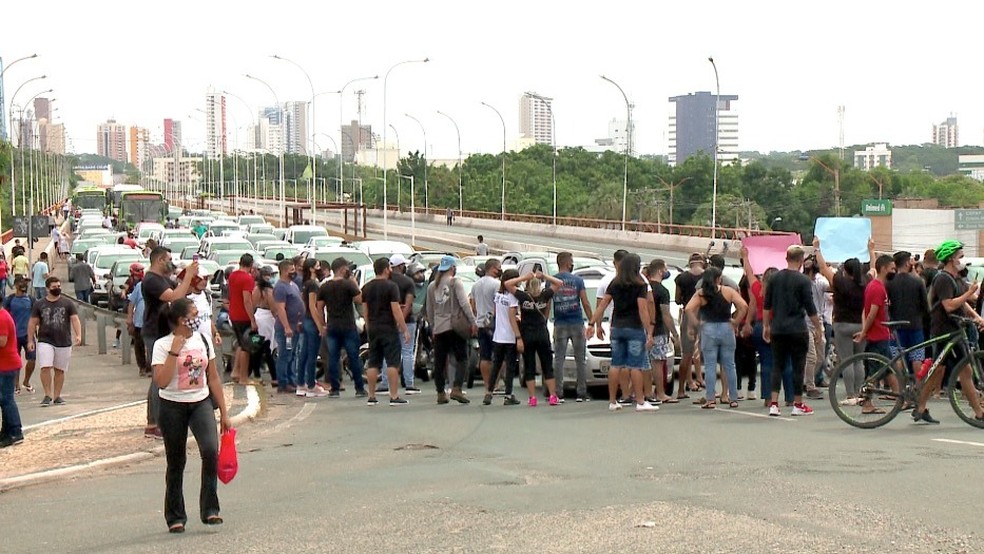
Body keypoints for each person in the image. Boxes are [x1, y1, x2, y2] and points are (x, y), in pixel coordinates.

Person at [152, 297, 230, 533]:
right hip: (172, 405)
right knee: (176, 461)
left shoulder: (203, 339)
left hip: (201, 402)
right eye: (193, 315)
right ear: (180, 319)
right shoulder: (162, 345)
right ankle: (175, 515)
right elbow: (162, 382)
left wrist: (224, 412)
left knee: (209, 451)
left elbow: (213, 376)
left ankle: (210, 509)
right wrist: (174, 352)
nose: (198, 319)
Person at [913, 240, 984, 423]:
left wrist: (977, 317)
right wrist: (969, 293)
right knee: (965, 371)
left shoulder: (956, 278)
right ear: (951, 259)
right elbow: (949, 305)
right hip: (946, 331)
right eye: (960, 256)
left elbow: (964, 303)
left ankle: (920, 407)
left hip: (955, 330)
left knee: (938, 371)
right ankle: (979, 413)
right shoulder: (943, 278)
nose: (963, 259)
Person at [589, 253, 658, 412]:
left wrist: (592, 323)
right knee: (635, 365)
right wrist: (649, 331)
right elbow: (643, 309)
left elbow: (603, 304)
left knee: (616, 364)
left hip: (616, 327)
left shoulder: (615, 282)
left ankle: (613, 401)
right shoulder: (639, 284)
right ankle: (640, 401)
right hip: (634, 328)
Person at [142, 247, 199, 439]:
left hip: (165, 330)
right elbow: (173, 296)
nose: (171, 262)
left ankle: (157, 420)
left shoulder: (164, 279)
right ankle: (154, 422)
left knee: (164, 377)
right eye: (169, 258)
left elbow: (181, 293)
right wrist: (188, 275)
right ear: (159, 260)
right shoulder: (151, 280)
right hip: (155, 332)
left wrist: (190, 279)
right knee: (159, 378)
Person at [762, 245, 823, 416]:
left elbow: (767, 305)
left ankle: (774, 403)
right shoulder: (804, 281)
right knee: (798, 366)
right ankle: (798, 404)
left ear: (786, 257)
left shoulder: (774, 278)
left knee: (777, 365)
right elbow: (810, 308)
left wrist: (766, 326)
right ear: (801, 260)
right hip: (797, 328)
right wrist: (818, 328)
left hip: (778, 327)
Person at [686, 266, 748, 409]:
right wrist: (736, 321)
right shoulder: (728, 291)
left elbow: (689, 309)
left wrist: (696, 324)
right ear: (718, 278)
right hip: (726, 327)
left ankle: (710, 398)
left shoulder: (701, 294)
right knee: (729, 365)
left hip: (708, 328)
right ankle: (733, 398)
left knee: (710, 365)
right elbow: (743, 306)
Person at [815, 246, 867, 406]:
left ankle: (851, 394)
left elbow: (823, 268)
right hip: (861, 324)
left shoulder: (841, 282)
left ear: (846, 270)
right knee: (859, 360)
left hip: (842, 324)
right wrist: (871, 250)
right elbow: (873, 269)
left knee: (847, 360)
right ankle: (860, 393)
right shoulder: (866, 283)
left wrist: (817, 249)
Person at [504, 269, 563, 406]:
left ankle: (532, 398)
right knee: (547, 365)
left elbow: (507, 284)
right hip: (542, 332)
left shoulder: (523, 297)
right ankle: (553, 396)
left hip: (527, 334)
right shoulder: (544, 295)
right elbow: (559, 283)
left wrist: (523, 277)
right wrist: (544, 276)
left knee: (529, 365)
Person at [852, 254, 901, 414]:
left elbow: (868, 312)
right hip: (877, 335)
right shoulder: (877, 288)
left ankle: (901, 397)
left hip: (882, 334)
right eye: (892, 268)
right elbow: (871, 313)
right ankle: (867, 403)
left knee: (887, 368)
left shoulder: (876, 286)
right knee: (875, 371)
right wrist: (864, 331)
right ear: (884, 268)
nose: (894, 271)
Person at [425, 255, 476, 404]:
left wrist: (433, 327)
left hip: (440, 328)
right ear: (453, 268)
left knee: (440, 361)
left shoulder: (432, 286)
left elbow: (430, 310)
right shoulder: (455, 283)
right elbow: (464, 304)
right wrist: (473, 321)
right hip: (455, 326)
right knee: (462, 358)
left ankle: (440, 393)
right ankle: (457, 388)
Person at [362, 257, 412, 406]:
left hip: (373, 328)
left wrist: (368, 325)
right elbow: (396, 309)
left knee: (373, 362)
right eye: (389, 268)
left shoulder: (366, 287)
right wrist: (404, 329)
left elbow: (365, 310)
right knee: (392, 362)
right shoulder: (391, 287)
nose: (391, 270)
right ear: (385, 269)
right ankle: (394, 395)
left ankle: (371, 396)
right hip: (388, 328)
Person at [27, 277, 82, 407]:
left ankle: (57, 395)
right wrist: (30, 340)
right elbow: (32, 322)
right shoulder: (39, 304)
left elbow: (75, 319)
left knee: (59, 370)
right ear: (47, 288)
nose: (57, 288)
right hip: (45, 340)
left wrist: (78, 335)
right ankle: (47, 394)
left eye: (58, 286)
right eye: (54, 286)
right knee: (45, 367)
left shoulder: (67, 303)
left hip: (64, 341)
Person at [316, 258, 367, 397]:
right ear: (343, 269)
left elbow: (319, 307)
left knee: (333, 357)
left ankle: (335, 388)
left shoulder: (325, 287)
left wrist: (322, 324)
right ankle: (359, 388)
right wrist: (353, 281)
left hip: (332, 326)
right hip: (348, 326)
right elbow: (360, 299)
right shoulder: (348, 285)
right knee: (353, 357)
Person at [552, 252, 594, 402]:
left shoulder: (552, 280)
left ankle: (558, 392)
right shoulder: (577, 281)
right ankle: (581, 392)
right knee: (580, 359)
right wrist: (592, 321)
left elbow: (548, 303)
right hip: (576, 322)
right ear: (569, 263)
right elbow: (585, 302)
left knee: (559, 359)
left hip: (560, 323)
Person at [886, 250, 931, 377]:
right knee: (917, 358)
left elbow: (887, 304)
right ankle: (918, 389)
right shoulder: (918, 282)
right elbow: (925, 306)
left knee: (897, 357)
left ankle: (899, 388)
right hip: (915, 325)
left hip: (896, 325)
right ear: (907, 263)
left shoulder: (890, 283)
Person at [379, 254, 418, 395]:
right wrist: (401, 321)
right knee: (407, 352)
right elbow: (408, 304)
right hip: (407, 322)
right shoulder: (408, 282)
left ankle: (384, 383)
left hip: (387, 321)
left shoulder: (384, 282)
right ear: (401, 266)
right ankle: (409, 384)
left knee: (387, 354)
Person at [483, 269, 523, 406]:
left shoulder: (498, 295)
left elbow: (496, 313)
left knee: (496, 365)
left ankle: (489, 392)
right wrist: (518, 336)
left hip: (498, 335)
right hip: (510, 336)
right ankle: (508, 394)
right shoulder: (513, 297)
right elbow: (512, 317)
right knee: (510, 367)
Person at [646, 259, 680, 404]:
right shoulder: (662, 291)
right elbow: (666, 314)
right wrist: (675, 333)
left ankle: (643, 391)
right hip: (659, 330)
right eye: (665, 269)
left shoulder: (644, 288)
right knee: (658, 363)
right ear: (660, 271)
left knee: (644, 363)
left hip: (643, 329)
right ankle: (660, 393)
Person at [674, 252, 706, 395]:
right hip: (705, 315)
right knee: (704, 351)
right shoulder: (708, 276)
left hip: (688, 316)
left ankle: (686, 383)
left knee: (686, 353)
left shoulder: (681, 278)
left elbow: (677, 299)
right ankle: (702, 380)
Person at [273, 259, 304, 395]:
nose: (294, 272)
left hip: (295, 326)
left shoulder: (293, 285)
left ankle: (292, 380)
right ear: (285, 271)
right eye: (291, 270)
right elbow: (280, 308)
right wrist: (286, 327)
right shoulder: (280, 287)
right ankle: (283, 383)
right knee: (284, 355)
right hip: (286, 329)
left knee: (292, 355)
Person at [470, 259, 502, 391]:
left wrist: (477, 318)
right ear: (493, 268)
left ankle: (486, 383)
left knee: (484, 356)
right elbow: (497, 304)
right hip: (494, 324)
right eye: (499, 268)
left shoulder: (476, 285)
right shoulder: (497, 284)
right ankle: (496, 383)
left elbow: (473, 305)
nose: (500, 270)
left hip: (481, 323)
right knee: (498, 356)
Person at [297, 259, 327, 398]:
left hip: (306, 320)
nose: (320, 268)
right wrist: (320, 325)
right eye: (317, 266)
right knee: (312, 354)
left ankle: (301, 383)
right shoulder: (313, 284)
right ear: (311, 269)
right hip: (311, 321)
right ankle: (311, 385)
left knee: (304, 353)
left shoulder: (305, 283)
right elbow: (312, 306)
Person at [227, 254, 257, 384]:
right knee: (247, 347)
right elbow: (247, 300)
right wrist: (252, 319)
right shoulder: (247, 278)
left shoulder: (232, 275)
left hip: (233, 313)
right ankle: (244, 377)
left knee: (240, 343)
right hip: (243, 315)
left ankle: (235, 371)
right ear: (251, 266)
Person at [0, 293, 24, 448]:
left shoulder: (2, 317)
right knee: (3, 399)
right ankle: (7, 430)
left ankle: (15, 431)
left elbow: (2, 341)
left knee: (6, 399)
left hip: (6, 365)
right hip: (4, 364)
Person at [249, 266, 278, 385]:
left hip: (259, 318)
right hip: (265, 319)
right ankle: (274, 377)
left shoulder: (257, 289)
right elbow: (273, 308)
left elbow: (253, 305)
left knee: (257, 347)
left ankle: (257, 375)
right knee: (266, 348)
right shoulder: (267, 291)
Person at [6, 279, 35, 394]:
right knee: (15, 361)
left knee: (32, 359)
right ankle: (16, 385)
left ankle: (26, 382)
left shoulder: (31, 300)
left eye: (25, 284)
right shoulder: (10, 299)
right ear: (16, 286)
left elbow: (37, 314)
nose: (24, 286)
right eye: (21, 284)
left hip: (28, 335)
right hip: (13, 335)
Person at [127, 266, 150, 377]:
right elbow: (131, 303)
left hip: (153, 322)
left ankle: (151, 367)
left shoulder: (161, 287)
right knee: (139, 345)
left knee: (152, 346)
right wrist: (130, 318)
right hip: (139, 322)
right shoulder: (140, 286)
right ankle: (142, 366)